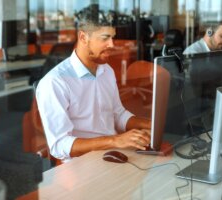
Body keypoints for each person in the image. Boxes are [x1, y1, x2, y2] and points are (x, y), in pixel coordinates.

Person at [36, 5, 151, 163]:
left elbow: (118, 114)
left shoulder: (106, 70)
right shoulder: (55, 82)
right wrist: (115, 140)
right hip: (82, 164)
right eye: (105, 38)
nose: (112, 44)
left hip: (114, 153)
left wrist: (150, 125)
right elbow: (59, 145)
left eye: (113, 37)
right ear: (83, 37)